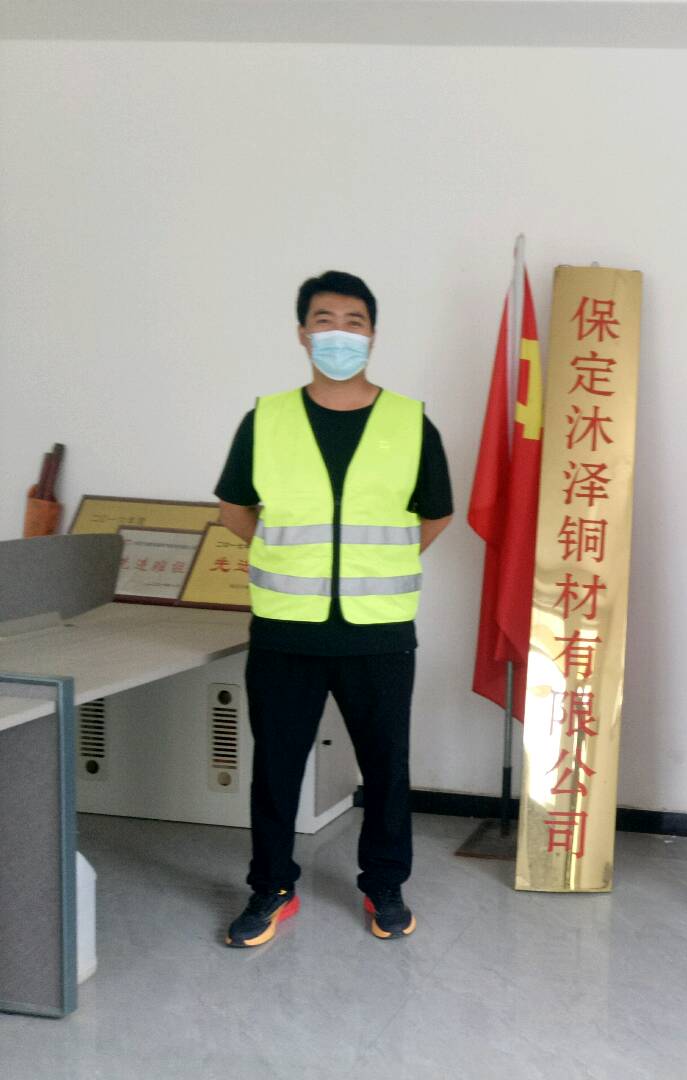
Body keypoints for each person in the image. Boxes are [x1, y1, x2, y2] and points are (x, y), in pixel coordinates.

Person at [215, 270, 453, 947]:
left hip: (378, 632)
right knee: (276, 768)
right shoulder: (266, 419)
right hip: (285, 630)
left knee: (386, 768)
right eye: (325, 320)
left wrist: (372, 567)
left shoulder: (410, 422)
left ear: (372, 335)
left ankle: (385, 885)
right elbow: (235, 508)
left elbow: (436, 514)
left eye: (354, 321)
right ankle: (271, 887)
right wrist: (297, 561)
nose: (339, 334)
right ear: (302, 333)